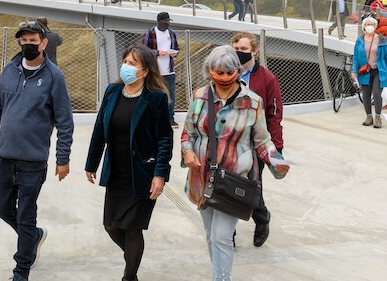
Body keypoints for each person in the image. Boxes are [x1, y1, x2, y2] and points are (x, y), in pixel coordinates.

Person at [181, 46, 289, 281]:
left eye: (227, 72)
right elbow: (187, 134)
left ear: (237, 72)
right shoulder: (200, 96)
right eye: (217, 72)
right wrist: (188, 153)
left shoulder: (252, 102)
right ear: (209, 71)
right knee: (211, 235)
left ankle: (221, 279)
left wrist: (276, 162)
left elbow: (263, 141)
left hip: (234, 181)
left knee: (221, 236)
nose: (222, 77)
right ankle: (218, 275)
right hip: (202, 177)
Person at [0, 20, 74, 281]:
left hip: (33, 160)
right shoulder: (8, 70)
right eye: (24, 40)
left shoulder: (55, 77)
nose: (28, 44)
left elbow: (65, 121)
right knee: (3, 210)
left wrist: (62, 158)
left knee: (25, 214)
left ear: (44, 43)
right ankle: (33, 237)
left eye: (34, 40)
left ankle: (21, 270)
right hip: (6, 155)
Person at [85, 45, 172, 281]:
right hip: (116, 171)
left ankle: (129, 276)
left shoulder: (155, 99)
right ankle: (133, 257)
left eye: (132, 63)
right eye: (125, 61)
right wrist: (91, 163)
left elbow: (165, 137)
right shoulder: (112, 91)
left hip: (142, 172)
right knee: (111, 226)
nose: (126, 66)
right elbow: (99, 129)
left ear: (145, 71)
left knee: (133, 228)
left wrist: (160, 174)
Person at [231, 32, 284, 247]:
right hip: (228, 141)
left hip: (255, 144)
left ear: (254, 51)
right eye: (235, 49)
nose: (239, 53)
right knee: (224, 186)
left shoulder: (267, 78)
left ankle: (262, 218)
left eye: (243, 49)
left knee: (251, 187)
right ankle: (228, 232)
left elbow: (274, 114)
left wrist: (276, 148)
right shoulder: (226, 73)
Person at [351, 17, 387, 128]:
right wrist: (354, 70)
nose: (369, 26)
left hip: (378, 71)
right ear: (364, 26)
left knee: (376, 93)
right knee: (366, 94)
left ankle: (378, 117)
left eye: (371, 24)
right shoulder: (360, 40)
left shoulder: (381, 39)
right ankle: (369, 117)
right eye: (367, 24)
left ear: (375, 26)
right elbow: (355, 56)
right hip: (365, 71)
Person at [141, 12, 180, 129]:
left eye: (168, 22)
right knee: (153, 94)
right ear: (158, 22)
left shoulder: (171, 33)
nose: (167, 24)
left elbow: (177, 48)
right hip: (154, 71)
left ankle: (170, 119)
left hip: (169, 71)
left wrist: (174, 53)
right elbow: (143, 50)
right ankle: (152, 118)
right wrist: (157, 53)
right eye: (165, 22)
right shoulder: (150, 33)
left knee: (170, 96)